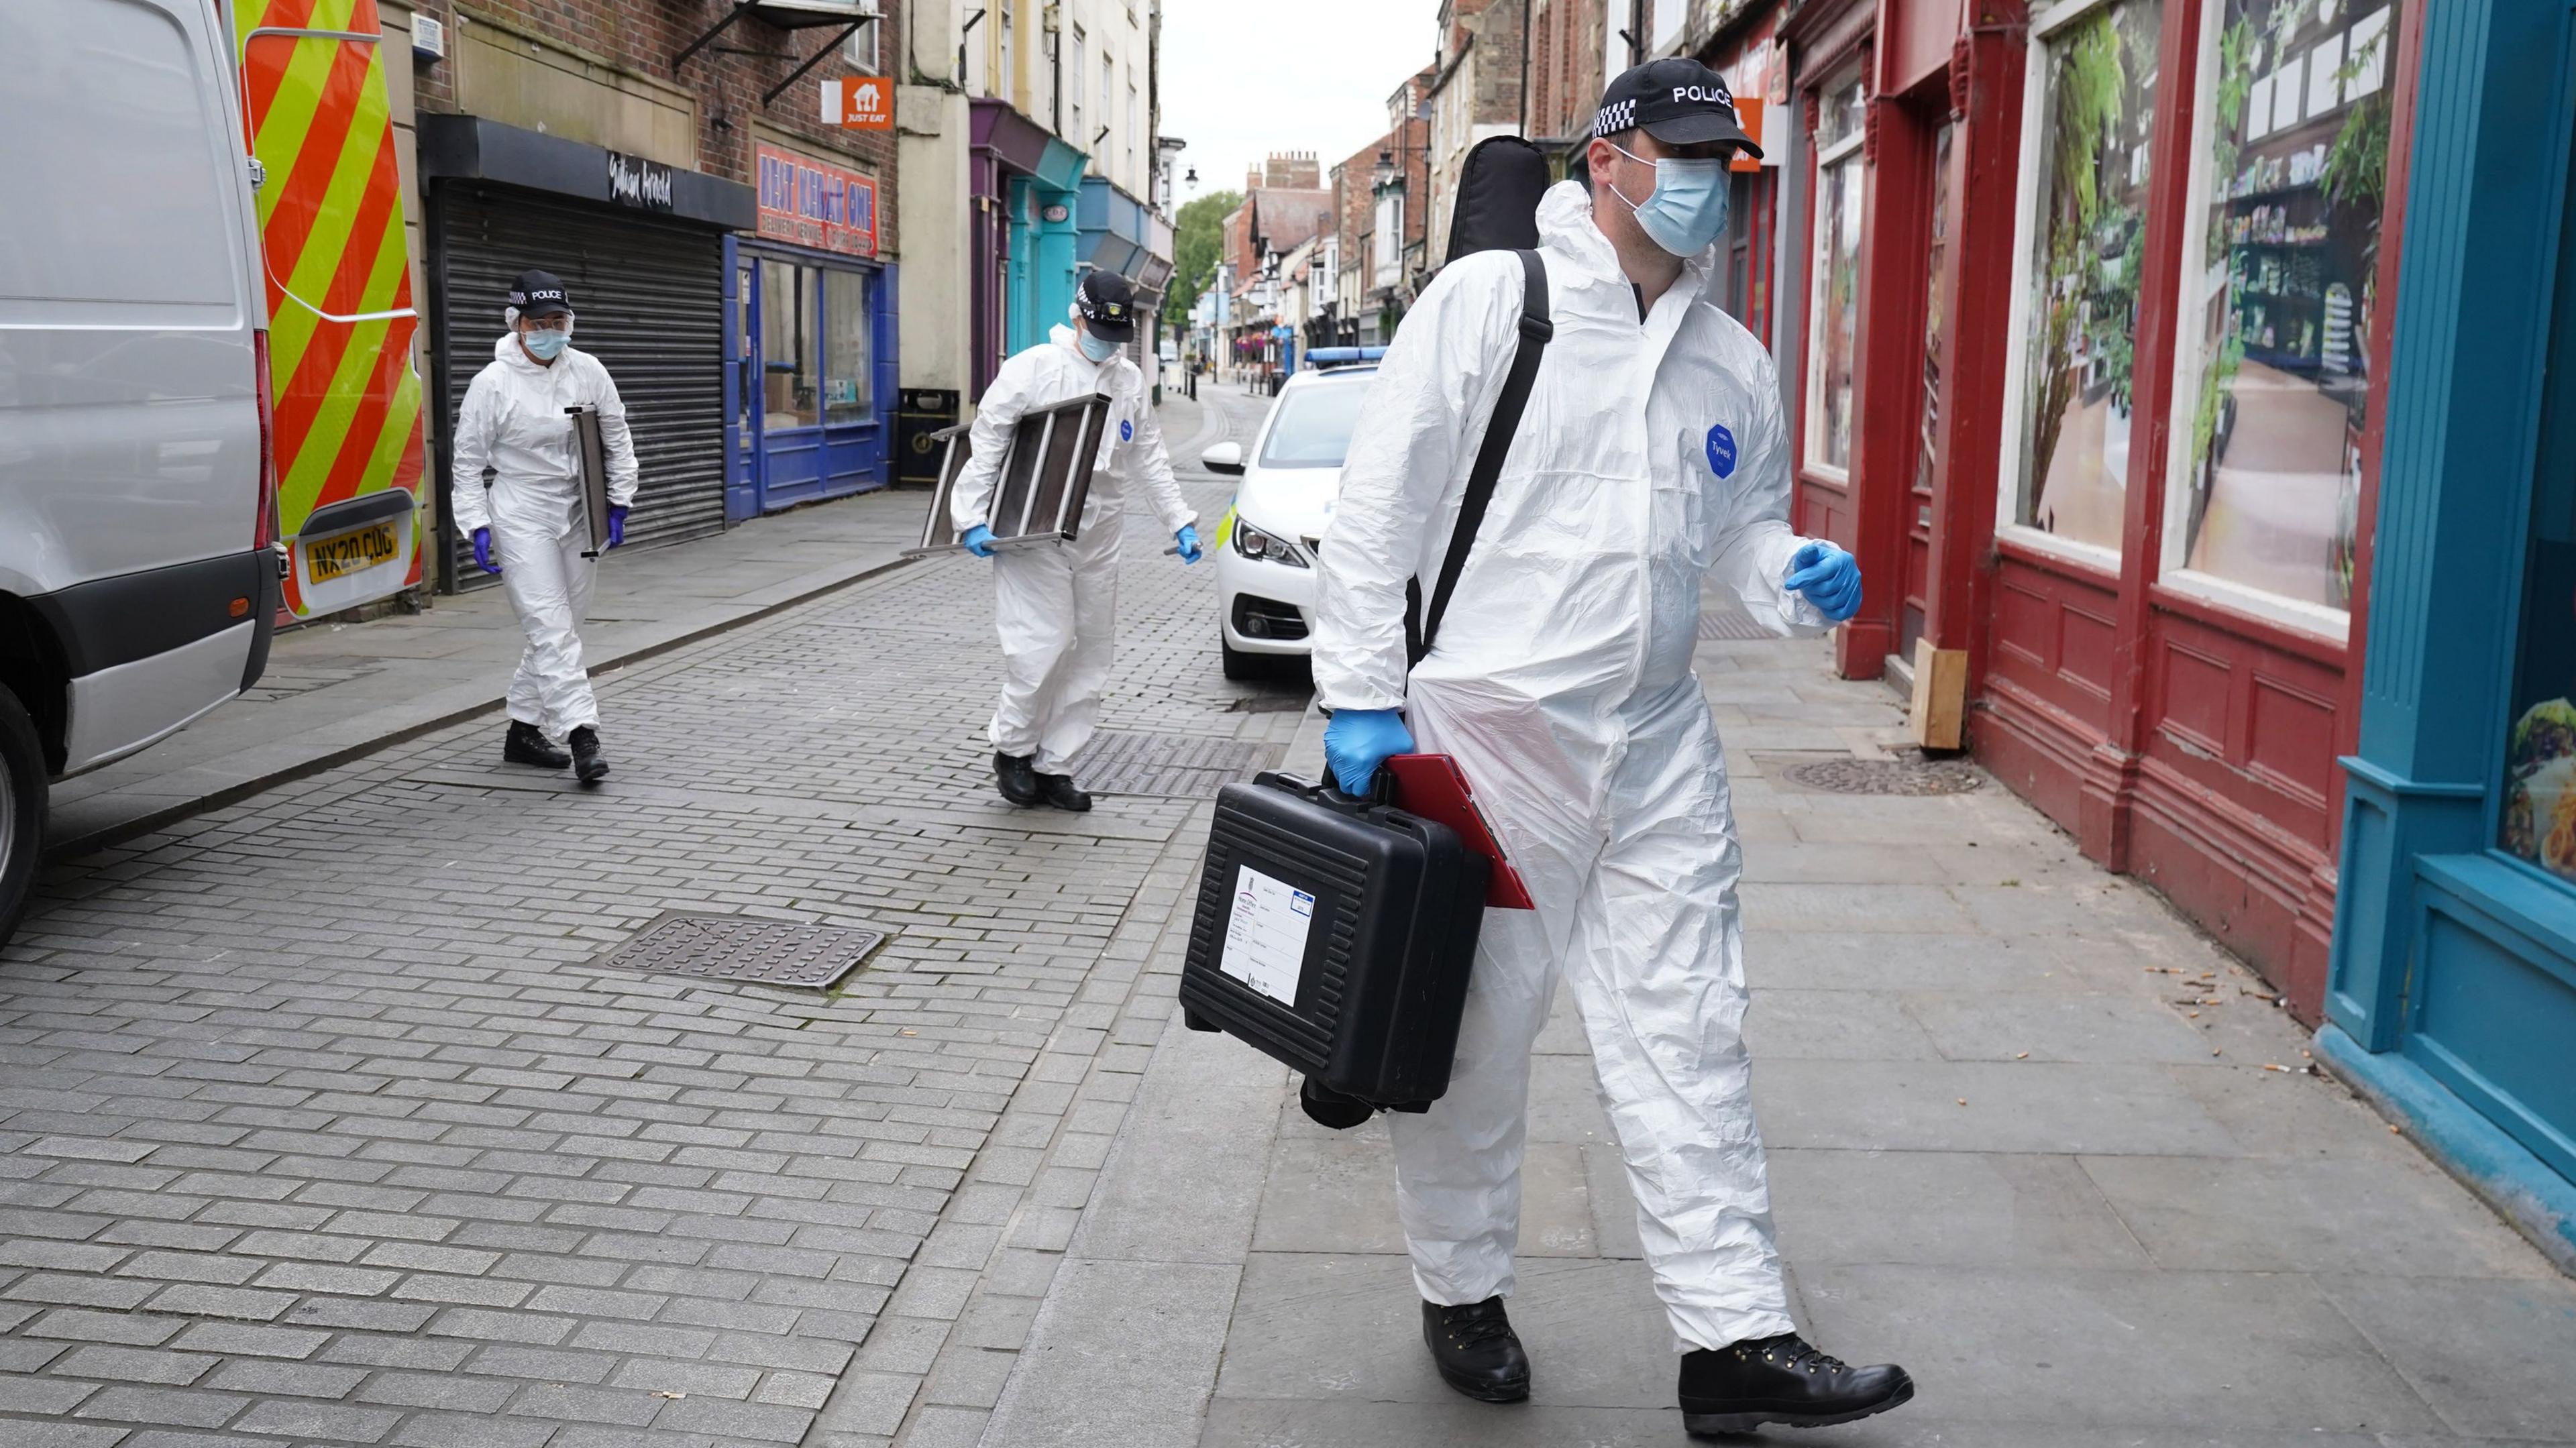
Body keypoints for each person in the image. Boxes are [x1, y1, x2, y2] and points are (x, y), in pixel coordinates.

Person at [1307, 59, 1909, 1437]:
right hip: (1489, 739)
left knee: (1692, 1027)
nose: (1705, 182)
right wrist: (1358, 694)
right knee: (1474, 1038)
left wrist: (1790, 571)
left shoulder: (1731, 357)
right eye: (1683, 153)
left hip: (1653, 746)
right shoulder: (1489, 304)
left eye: (1723, 161)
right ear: (1609, 158)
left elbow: (1743, 526)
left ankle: (1733, 1335)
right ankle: (1461, 1286)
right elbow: (1376, 509)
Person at [952, 271, 1199, 812]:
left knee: (1091, 649)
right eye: (1101, 330)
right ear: (1077, 316)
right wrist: (969, 514)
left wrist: (1178, 520)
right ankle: (1013, 751)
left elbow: (1149, 454)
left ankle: (1055, 764)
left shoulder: (1129, 380)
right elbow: (989, 436)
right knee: (1041, 641)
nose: (1107, 342)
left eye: (1117, 334)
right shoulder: (1033, 369)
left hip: (1100, 530)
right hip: (1033, 527)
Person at [451, 270, 638, 785]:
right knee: (551, 627)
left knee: (564, 625)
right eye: (540, 322)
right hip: (521, 512)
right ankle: (583, 735)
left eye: (559, 320)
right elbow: (466, 463)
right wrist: (477, 523)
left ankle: (522, 730)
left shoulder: (588, 370)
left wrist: (618, 500)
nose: (551, 330)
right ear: (518, 324)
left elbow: (616, 435)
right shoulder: (492, 384)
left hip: (578, 511)